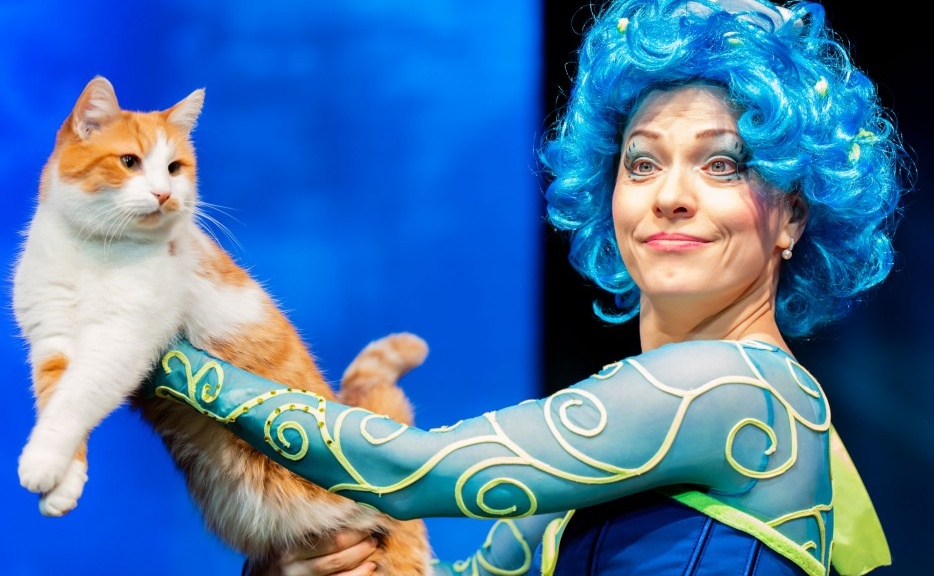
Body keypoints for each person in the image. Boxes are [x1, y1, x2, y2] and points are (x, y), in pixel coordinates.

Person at [144, 0, 910, 574]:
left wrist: (164, 360)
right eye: (642, 163)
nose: (671, 196)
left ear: (793, 214)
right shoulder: (618, 441)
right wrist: (299, 565)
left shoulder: (738, 389)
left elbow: (409, 469)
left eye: (722, 164)